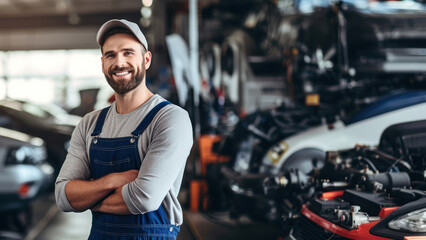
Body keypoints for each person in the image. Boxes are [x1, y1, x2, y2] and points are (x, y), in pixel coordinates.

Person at [55, 19, 193, 240]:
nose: (119, 62)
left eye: (128, 53)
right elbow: (63, 196)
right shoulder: (89, 124)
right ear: (102, 64)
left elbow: (144, 198)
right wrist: (113, 181)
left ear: (146, 59)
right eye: (111, 55)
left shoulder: (170, 118)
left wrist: (88, 197)